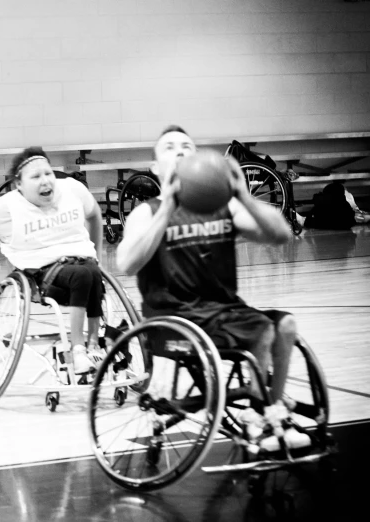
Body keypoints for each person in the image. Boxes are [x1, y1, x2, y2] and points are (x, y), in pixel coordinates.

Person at [116, 125, 309, 450]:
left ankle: (270, 413)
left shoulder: (222, 206)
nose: (180, 151)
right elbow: (126, 264)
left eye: (187, 147)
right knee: (260, 330)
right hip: (174, 320)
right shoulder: (145, 213)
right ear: (155, 169)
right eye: (169, 148)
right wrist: (167, 208)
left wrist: (242, 195)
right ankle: (259, 420)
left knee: (285, 325)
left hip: (223, 312)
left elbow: (280, 235)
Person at [0, 147, 104, 374]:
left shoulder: (73, 189)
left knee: (93, 271)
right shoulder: (4, 208)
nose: (45, 181)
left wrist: (96, 254)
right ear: (19, 184)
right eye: (36, 177)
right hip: (41, 275)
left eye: (48, 174)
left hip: (83, 265)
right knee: (86, 274)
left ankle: (94, 344)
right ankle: (77, 350)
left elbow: (94, 216)